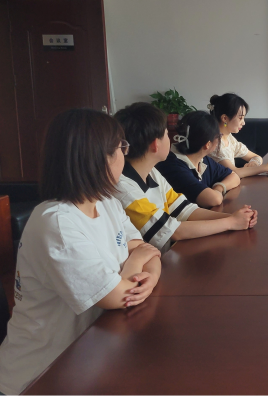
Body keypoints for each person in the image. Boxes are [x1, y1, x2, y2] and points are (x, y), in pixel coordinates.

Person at [0, 109, 162, 395]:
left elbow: (147, 250)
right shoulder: (57, 223)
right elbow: (118, 295)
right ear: (98, 158)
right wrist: (137, 263)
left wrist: (146, 273)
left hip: (88, 359)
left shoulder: (107, 203)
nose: (125, 155)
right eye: (121, 147)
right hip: (39, 378)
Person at [114, 103, 257, 253]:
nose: (172, 140)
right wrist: (230, 222)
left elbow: (185, 210)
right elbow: (172, 231)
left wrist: (234, 217)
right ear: (155, 145)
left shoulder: (152, 173)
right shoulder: (125, 189)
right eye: (166, 134)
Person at [156, 110, 242, 208]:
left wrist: (219, 187)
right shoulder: (172, 166)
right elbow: (214, 200)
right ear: (208, 144)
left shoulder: (203, 160)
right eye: (218, 136)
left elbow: (234, 177)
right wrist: (217, 192)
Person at [207, 93, 268, 178]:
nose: (243, 123)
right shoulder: (215, 143)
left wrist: (254, 163)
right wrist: (267, 167)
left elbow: (256, 156)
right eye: (240, 118)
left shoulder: (229, 139)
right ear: (225, 118)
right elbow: (234, 173)